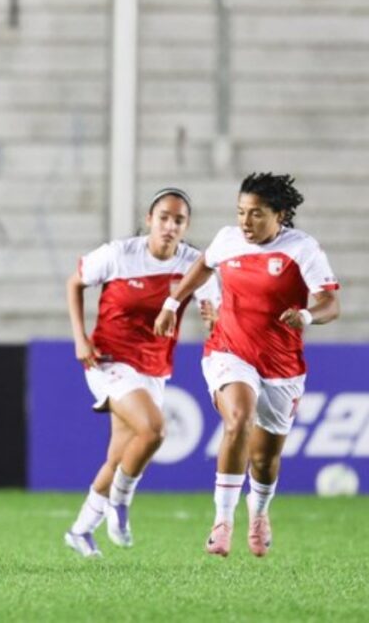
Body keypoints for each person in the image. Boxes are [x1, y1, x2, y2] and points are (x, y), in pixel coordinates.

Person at [154, 173, 340, 558]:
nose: (246, 222)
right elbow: (203, 265)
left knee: (265, 457)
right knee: (239, 418)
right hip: (228, 351)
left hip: (282, 365)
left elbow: (330, 303)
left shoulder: (302, 248)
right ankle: (222, 522)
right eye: (241, 212)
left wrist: (306, 316)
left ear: (281, 214)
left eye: (257, 214)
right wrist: (173, 304)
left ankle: (259, 513)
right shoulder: (227, 239)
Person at [64, 188, 219, 558]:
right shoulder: (119, 254)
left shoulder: (194, 263)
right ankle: (120, 502)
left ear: (186, 226)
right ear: (150, 219)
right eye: (163, 217)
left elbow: (212, 303)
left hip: (154, 367)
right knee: (154, 429)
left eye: (178, 220)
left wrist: (214, 314)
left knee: (119, 455)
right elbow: (74, 283)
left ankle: (80, 530)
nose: (169, 226)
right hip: (109, 360)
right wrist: (80, 338)